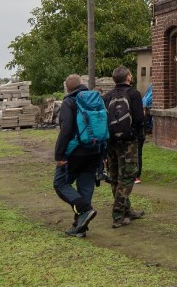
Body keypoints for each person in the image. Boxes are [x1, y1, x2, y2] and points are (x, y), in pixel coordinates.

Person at [53, 74, 102, 238]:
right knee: (86, 187)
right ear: (83, 84)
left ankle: (84, 210)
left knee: (60, 184)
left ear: (67, 88)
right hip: (95, 149)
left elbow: (66, 130)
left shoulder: (69, 102)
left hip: (75, 152)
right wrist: (104, 153)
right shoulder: (95, 99)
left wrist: (59, 154)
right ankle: (79, 226)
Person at [103, 66, 145, 228]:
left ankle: (127, 210)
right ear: (128, 77)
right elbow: (139, 119)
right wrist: (138, 136)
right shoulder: (133, 94)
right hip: (128, 142)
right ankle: (118, 214)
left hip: (110, 141)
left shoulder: (107, 96)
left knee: (114, 176)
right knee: (127, 177)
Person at [135, 83, 153, 184]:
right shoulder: (140, 105)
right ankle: (137, 176)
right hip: (140, 132)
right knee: (138, 153)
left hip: (132, 132)